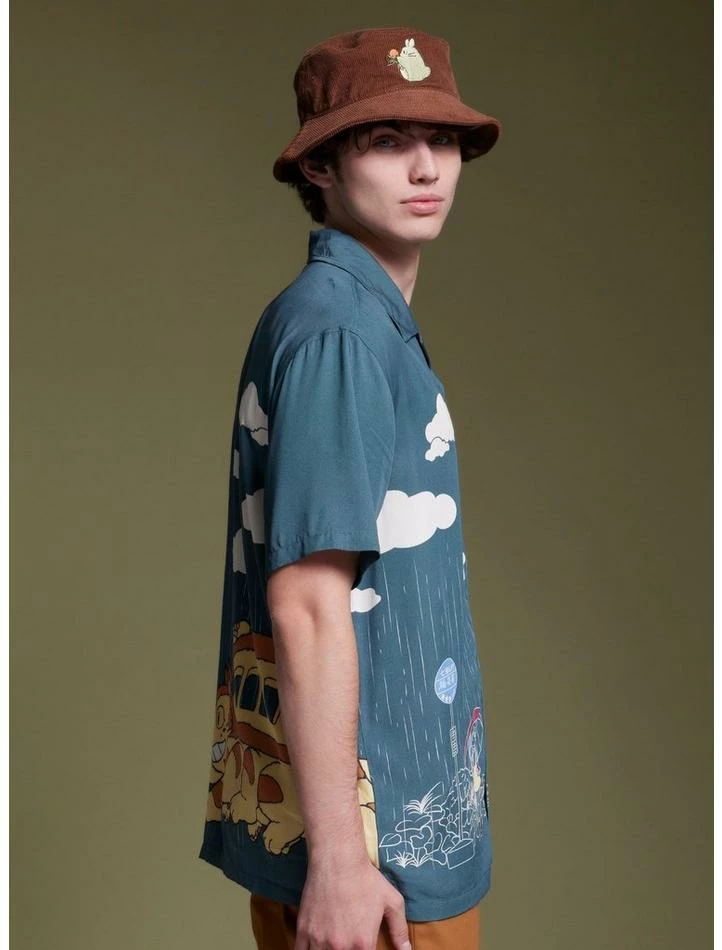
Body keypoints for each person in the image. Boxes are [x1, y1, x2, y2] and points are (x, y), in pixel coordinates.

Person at [198, 26, 502, 950]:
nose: (426, 166)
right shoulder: (339, 333)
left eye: (442, 139)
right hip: (374, 869)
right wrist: (337, 862)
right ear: (320, 166)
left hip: (395, 842)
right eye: (386, 140)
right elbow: (307, 604)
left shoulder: (359, 318)